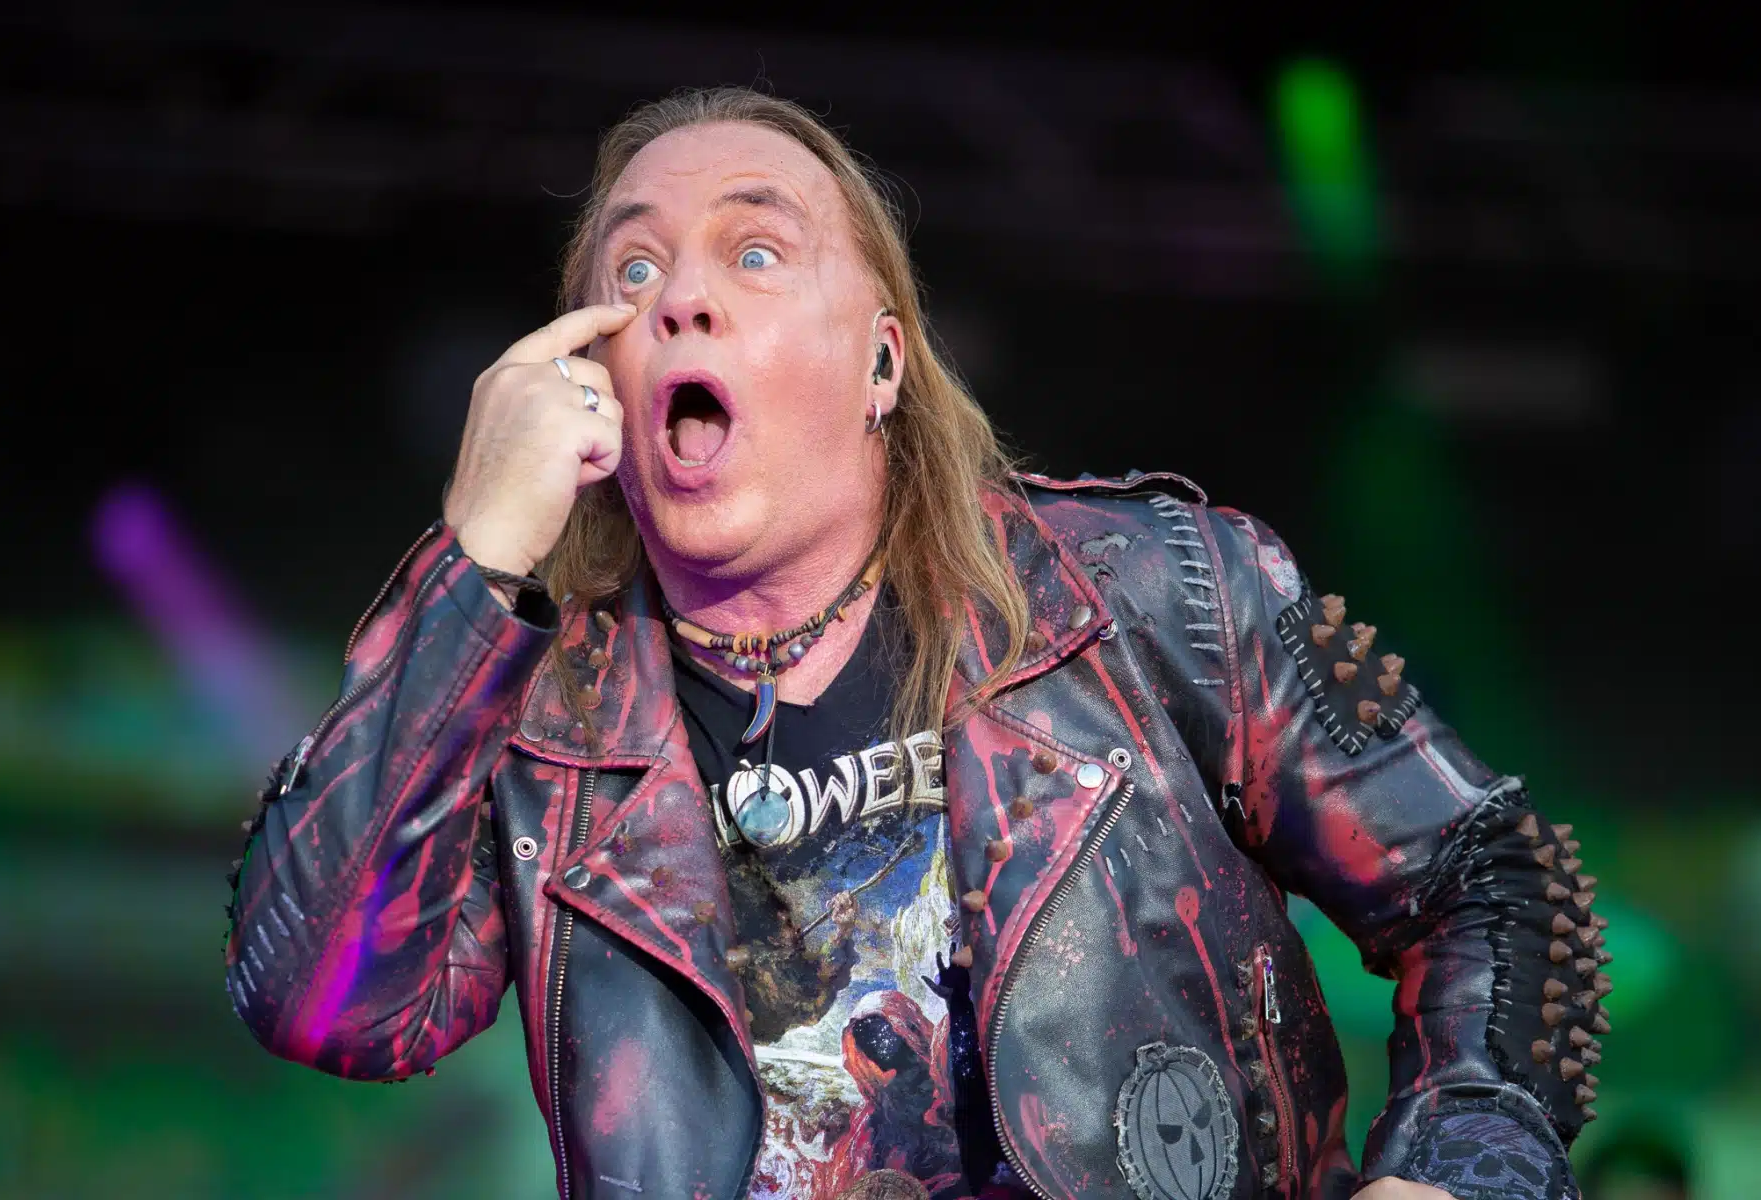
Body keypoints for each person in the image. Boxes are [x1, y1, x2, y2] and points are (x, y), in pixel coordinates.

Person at [223, 87, 1611, 1200]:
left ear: (882, 361)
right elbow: (316, 997)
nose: (681, 298)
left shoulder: (1158, 592)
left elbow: (1501, 880)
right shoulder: (537, 734)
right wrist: (474, 560)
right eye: (633, 270)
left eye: (754, 252)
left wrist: (1453, 1170)